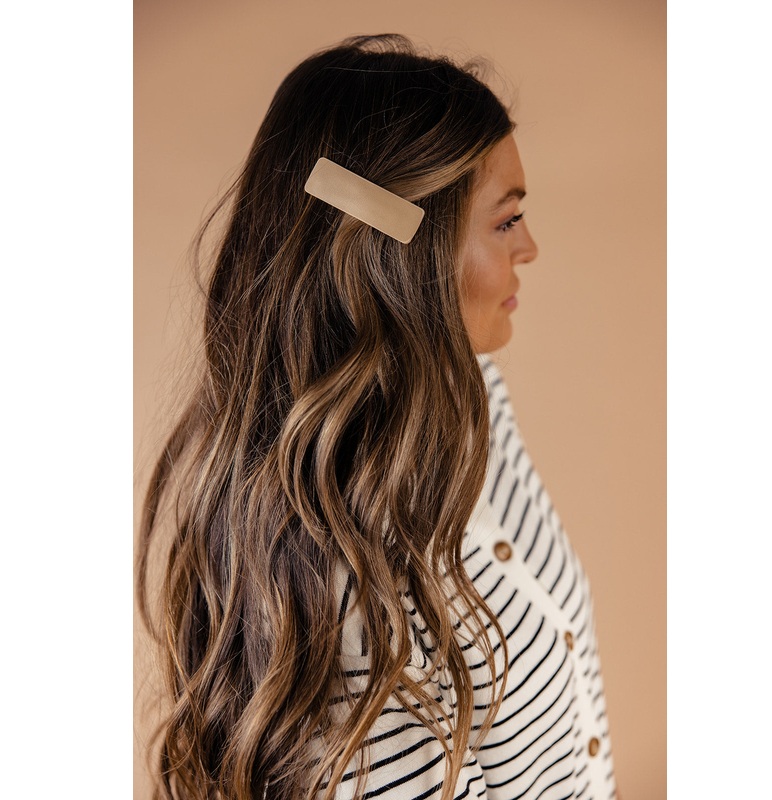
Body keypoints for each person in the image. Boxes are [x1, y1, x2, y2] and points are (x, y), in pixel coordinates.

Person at [137, 33, 617, 800]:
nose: (529, 247)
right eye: (505, 221)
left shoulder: (475, 403)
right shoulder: (341, 582)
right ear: (406, 252)